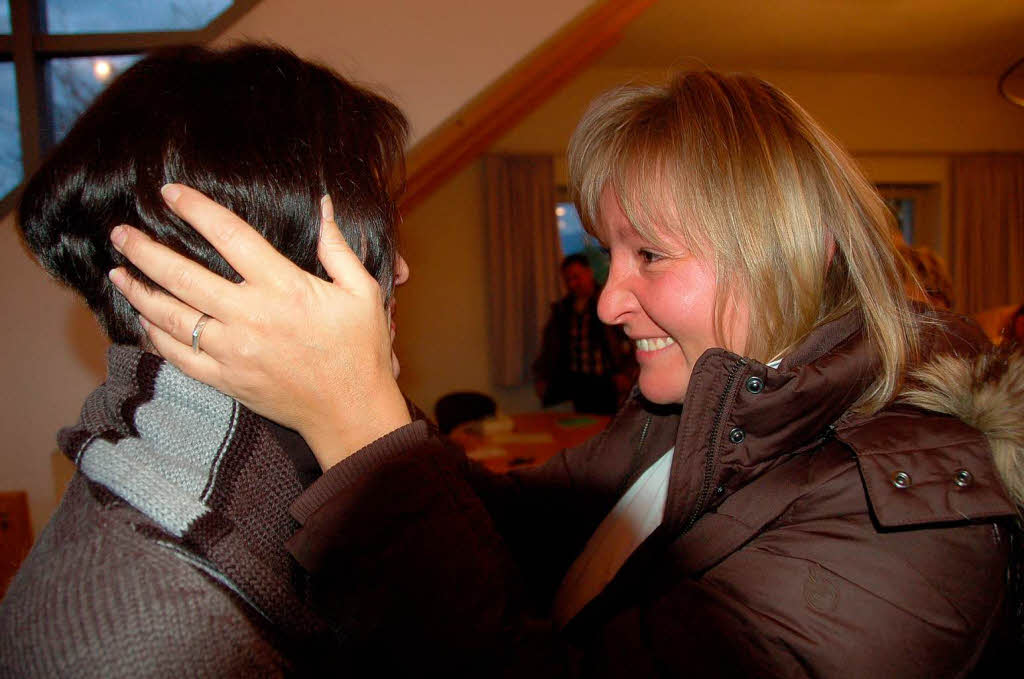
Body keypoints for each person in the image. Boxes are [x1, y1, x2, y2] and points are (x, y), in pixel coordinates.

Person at [107, 71, 1023, 676]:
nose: (610, 300)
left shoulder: (905, 522)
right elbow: (507, 527)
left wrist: (359, 426)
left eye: (650, 254)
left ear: (799, 250)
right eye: (607, 252)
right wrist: (353, 394)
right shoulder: (699, 411)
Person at [0, 44, 411, 675]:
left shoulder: (269, 474)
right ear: (260, 273)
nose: (401, 272)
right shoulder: (145, 635)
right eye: (376, 243)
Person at [533, 254, 636, 413]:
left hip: (606, 380)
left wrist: (626, 373)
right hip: (576, 380)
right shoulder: (563, 309)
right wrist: (543, 377)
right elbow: (550, 347)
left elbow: (630, 340)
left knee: (606, 427)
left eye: (576, 277)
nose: (572, 284)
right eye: (568, 280)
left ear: (589, 273)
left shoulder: (608, 303)